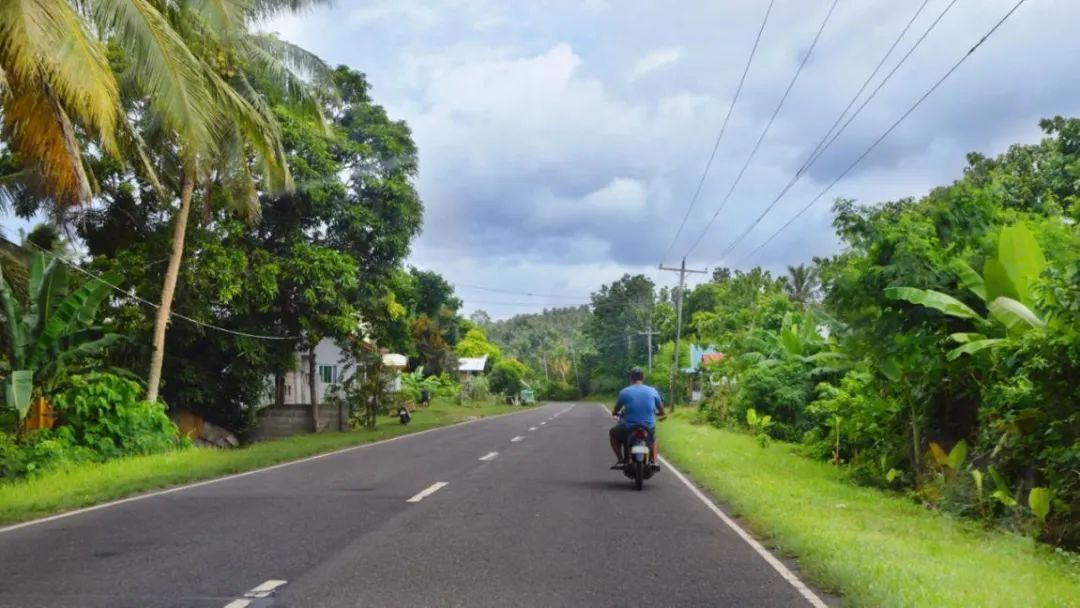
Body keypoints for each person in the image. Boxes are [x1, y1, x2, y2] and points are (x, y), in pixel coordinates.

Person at [609, 367, 665, 470]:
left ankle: (620, 459)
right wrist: (661, 414)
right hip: (648, 426)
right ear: (643, 377)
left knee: (613, 433)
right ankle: (655, 461)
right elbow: (661, 408)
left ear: (631, 378)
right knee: (652, 438)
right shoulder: (652, 391)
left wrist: (615, 412)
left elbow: (617, 408)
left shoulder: (624, 392)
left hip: (629, 427)